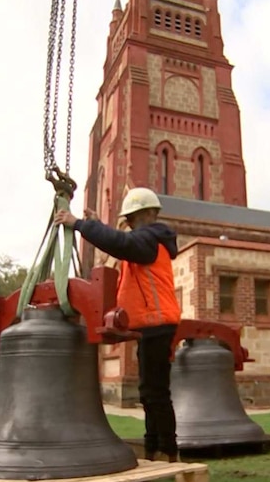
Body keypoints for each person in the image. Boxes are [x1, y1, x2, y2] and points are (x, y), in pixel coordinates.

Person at [54, 186, 182, 462]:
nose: (130, 226)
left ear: (147, 215)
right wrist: (98, 226)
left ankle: (167, 451)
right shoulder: (148, 242)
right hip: (151, 325)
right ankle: (154, 449)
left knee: (156, 392)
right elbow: (121, 243)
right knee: (150, 392)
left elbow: (122, 244)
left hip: (156, 324)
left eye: (132, 220)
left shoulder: (149, 240)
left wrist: (80, 225)